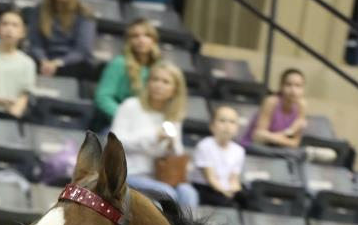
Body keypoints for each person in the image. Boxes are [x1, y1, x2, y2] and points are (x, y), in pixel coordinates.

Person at [111, 60, 198, 209]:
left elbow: (178, 154)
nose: (158, 85)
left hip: (159, 176)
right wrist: (154, 137)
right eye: (155, 79)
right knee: (167, 193)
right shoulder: (131, 105)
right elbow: (115, 142)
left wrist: (172, 145)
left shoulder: (173, 116)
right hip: (128, 173)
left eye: (165, 82)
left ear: (175, 90)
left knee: (189, 193)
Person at [27, 0, 97, 79]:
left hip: (71, 63)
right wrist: (44, 60)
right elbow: (36, 45)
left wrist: (57, 63)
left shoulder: (84, 14)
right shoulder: (39, 10)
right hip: (45, 60)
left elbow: (81, 51)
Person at [93, 18, 161, 126]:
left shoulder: (160, 67)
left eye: (147, 35)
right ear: (129, 41)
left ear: (154, 40)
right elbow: (103, 97)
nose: (141, 40)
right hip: (118, 123)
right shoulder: (119, 63)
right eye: (135, 36)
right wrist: (126, 117)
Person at [240, 67, 307, 149]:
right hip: (255, 148)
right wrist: (289, 132)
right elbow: (258, 136)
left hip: (281, 151)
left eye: (298, 86)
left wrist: (272, 137)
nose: (293, 90)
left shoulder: (301, 106)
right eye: (288, 85)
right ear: (281, 86)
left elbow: (295, 143)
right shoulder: (272, 102)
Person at [192, 105, 245, 206]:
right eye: (222, 121)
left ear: (237, 128)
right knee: (227, 203)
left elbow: (234, 179)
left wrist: (236, 193)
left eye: (232, 122)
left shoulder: (239, 151)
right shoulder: (205, 146)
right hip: (206, 188)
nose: (227, 126)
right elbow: (211, 179)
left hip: (226, 189)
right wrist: (226, 194)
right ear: (212, 126)